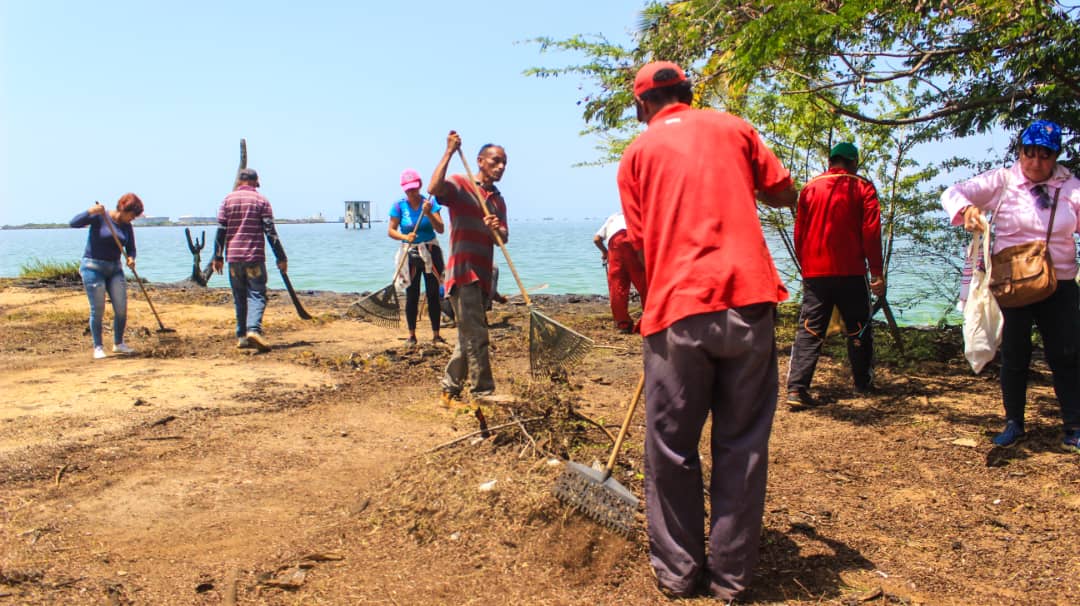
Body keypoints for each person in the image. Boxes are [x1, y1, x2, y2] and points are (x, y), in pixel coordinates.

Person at [617, 61, 797, 600]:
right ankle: (732, 579)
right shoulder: (735, 127)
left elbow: (640, 241)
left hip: (678, 309)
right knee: (742, 444)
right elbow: (783, 190)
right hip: (749, 300)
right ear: (688, 95)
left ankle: (679, 574)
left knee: (670, 447)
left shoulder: (636, 154)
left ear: (643, 105)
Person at [942, 119, 1080, 453]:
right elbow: (952, 193)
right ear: (1019, 152)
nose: (1035, 162)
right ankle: (1013, 423)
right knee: (1015, 354)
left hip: (1059, 282)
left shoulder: (1071, 187)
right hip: (1012, 283)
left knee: (1067, 354)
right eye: (1028, 153)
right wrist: (968, 209)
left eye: (1044, 155)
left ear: (1056, 156)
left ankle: (1074, 426)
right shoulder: (1002, 181)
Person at [786, 142, 885, 408]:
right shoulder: (862, 187)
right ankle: (862, 382)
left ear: (832, 161)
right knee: (858, 327)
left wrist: (805, 266)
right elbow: (871, 232)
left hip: (816, 272)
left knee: (810, 328)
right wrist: (876, 272)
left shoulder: (809, 188)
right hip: (851, 271)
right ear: (853, 162)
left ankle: (796, 389)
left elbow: (800, 234)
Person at [428, 132, 508, 405]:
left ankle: (448, 389)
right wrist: (449, 152)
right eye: (496, 161)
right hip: (463, 274)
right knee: (477, 336)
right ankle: (482, 392)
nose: (500, 167)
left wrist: (497, 228)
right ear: (481, 161)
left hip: (484, 276)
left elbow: (504, 238)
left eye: (504, 163)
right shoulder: (462, 185)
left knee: (467, 336)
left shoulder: (496, 199)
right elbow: (434, 188)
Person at [212, 168, 288, 353]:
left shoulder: (227, 200)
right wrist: (281, 257)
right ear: (256, 182)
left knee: (239, 296)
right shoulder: (261, 201)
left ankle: (242, 336)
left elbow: (221, 230)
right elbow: (270, 232)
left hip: (234, 258)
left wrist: (218, 256)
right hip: (253, 256)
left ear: (239, 182)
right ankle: (253, 329)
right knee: (257, 294)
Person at [70, 194, 145, 359]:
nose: (133, 218)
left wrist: (131, 258)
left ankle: (119, 344)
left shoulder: (126, 226)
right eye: (132, 214)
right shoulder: (100, 217)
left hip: (115, 269)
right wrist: (90, 211)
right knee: (98, 309)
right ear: (123, 209)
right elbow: (73, 223)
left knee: (121, 308)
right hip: (92, 267)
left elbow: (131, 248)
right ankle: (98, 347)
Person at [388, 168, 447, 346]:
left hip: (430, 251)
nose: (411, 192)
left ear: (420, 186)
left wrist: (428, 213)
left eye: (414, 188)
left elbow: (441, 228)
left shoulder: (430, 202)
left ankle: (436, 335)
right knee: (411, 294)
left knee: (433, 294)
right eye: (408, 190)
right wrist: (405, 237)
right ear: (403, 189)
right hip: (410, 253)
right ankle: (411, 335)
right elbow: (391, 231)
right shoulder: (399, 206)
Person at [593, 211, 647, 333]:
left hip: (615, 245)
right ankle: (649, 320)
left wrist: (605, 253)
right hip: (634, 241)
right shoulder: (639, 215)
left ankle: (623, 324)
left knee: (617, 287)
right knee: (645, 285)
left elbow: (596, 239)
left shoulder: (613, 218)